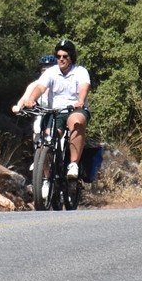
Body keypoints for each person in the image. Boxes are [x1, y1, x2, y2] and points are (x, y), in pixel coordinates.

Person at [14, 39, 91, 179]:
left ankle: (73, 164)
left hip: (74, 109)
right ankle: (48, 175)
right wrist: (31, 99)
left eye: (65, 56)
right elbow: (40, 87)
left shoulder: (80, 71)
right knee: (48, 137)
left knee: (77, 122)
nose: (61, 59)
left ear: (71, 57)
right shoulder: (51, 72)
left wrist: (80, 101)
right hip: (55, 112)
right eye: (58, 56)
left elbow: (84, 87)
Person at [15, 54, 57, 138]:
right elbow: (25, 98)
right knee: (36, 128)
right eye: (43, 70)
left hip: (58, 114)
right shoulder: (35, 85)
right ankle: (38, 148)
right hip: (41, 114)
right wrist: (18, 106)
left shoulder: (59, 84)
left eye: (49, 69)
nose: (46, 72)